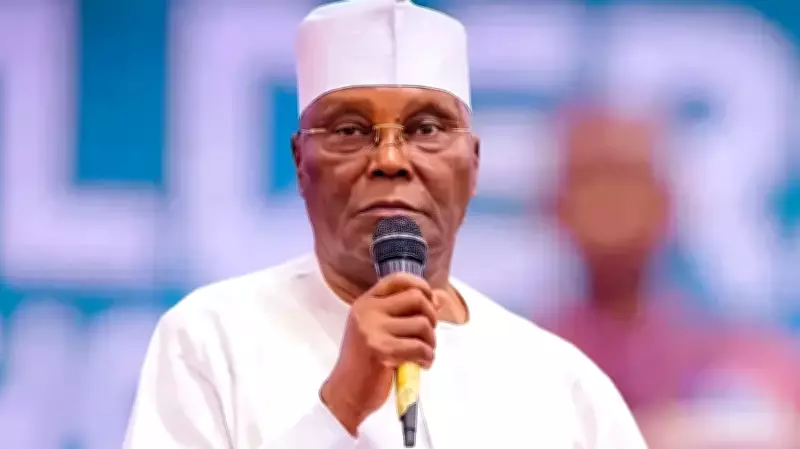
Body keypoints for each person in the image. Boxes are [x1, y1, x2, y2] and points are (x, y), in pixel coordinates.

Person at [123, 1, 647, 448]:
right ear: (301, 162)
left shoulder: (558, 385)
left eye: (427, 128)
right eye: (351, 130)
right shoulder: (212, 340)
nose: (391, 159)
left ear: (473, 164)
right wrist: (342, 405)